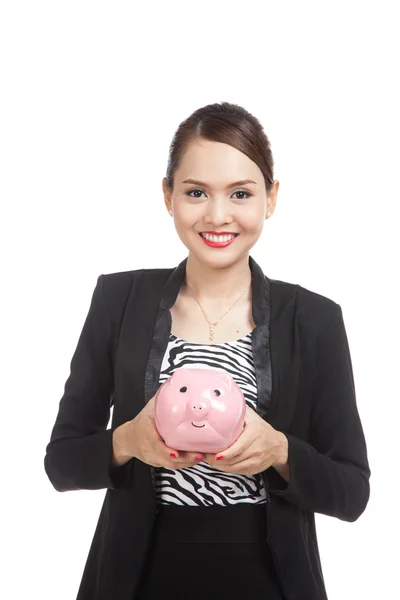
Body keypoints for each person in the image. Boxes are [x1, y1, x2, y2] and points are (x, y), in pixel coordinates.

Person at [44, 101, 371, 600]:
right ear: (168, 195)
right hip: (137, 576)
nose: (218, 215)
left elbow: (352, 493)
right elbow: (61, 463)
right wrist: (128, 440)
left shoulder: (314, 319)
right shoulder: (119, 300)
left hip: (271, 580)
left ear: (271, 197)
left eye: (241, 193)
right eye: (196, 192)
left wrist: (279, 452)